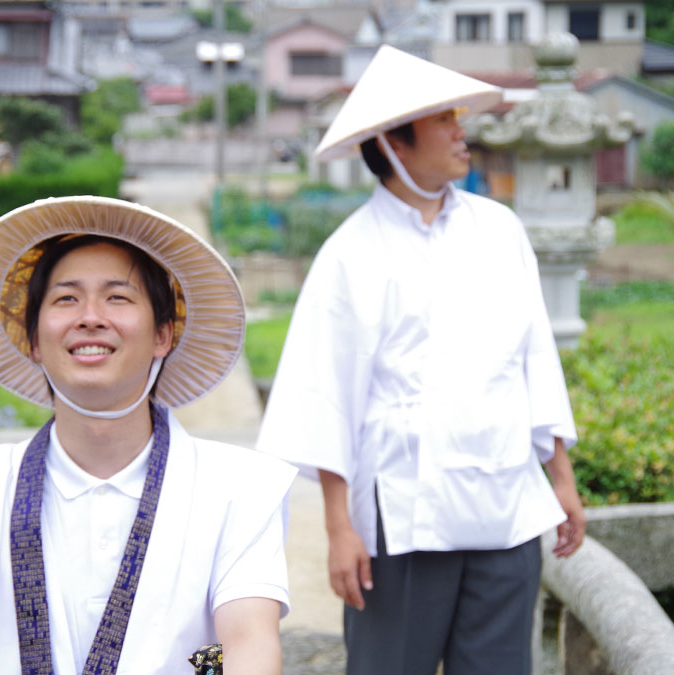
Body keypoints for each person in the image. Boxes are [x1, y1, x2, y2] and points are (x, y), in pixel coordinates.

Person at [256, 45, 586, 675]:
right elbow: (325, 395)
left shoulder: (500, 231)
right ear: (395, 144)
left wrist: (560, 478)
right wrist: (339, 527)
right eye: (443, 121)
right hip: (403, 513)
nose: (462, 132)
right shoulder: (350, 255)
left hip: (504, 501)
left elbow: (533, 357)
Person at [0, 196, 297, 674]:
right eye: (66, 298)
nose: (90, 317)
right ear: (33, 340)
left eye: (118, 297)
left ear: (163, 335)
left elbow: (243, 650)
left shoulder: (238, 490)